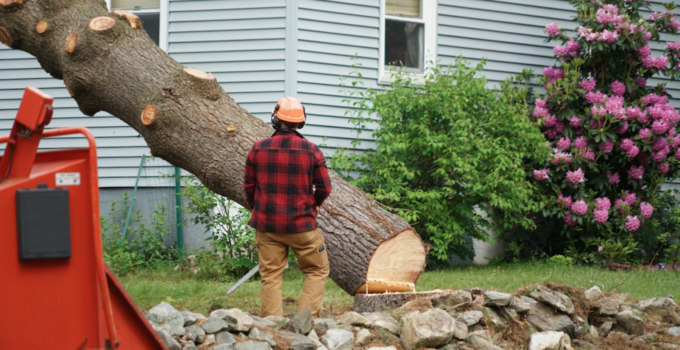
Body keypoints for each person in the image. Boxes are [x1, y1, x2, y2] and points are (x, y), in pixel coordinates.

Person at [243, 96, 333, 318]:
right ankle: (306, 323)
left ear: (276, 119)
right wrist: (314, 205)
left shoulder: (257, 148)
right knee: (317, 270)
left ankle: (271, 329)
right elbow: (325, 188)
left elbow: (248, 187)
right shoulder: (312, 151)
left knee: (271, 276)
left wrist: (260, 209)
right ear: (301, 122)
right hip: (302, 227)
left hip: (267, 227)